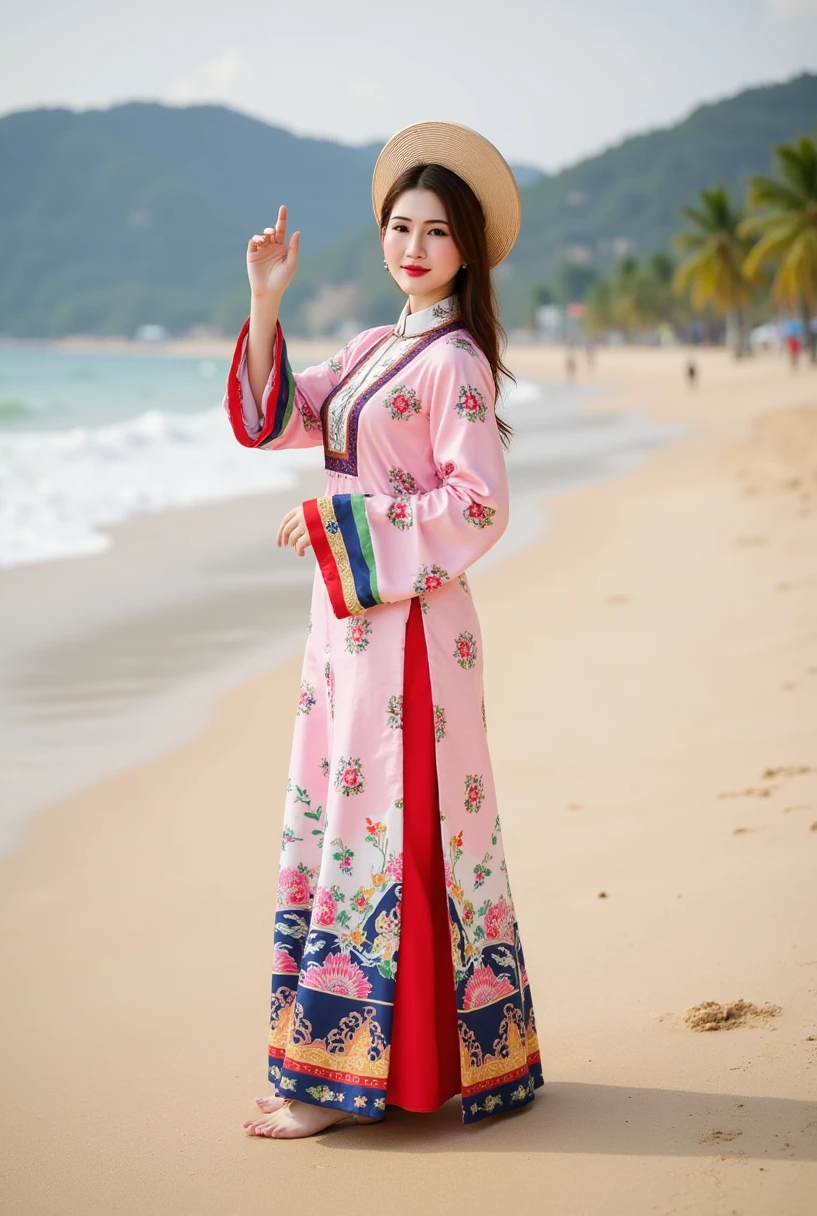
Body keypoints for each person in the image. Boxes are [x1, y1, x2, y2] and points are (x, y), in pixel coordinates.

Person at [223, 121, 544, 1141]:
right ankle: (376, 1064)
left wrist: (340, 521)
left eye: (435, 231)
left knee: (389, 832)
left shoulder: (454, 362)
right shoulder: (374, 347)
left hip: (407, 634)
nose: (412, 245)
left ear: (466, 250)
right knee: (351, 825)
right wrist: (265, 301)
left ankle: (345, 1079)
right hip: (351, 628)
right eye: (400, 226)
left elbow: (478, 504)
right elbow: (282, 413)